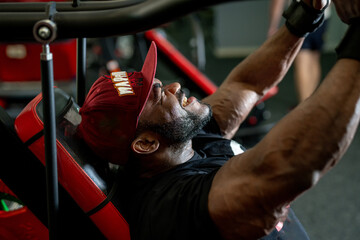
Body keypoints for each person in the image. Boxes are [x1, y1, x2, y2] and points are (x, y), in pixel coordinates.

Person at [77, 0, 360, 239]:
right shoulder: (174, 206)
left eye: (160, 85)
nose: (174, 87)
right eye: (160, 96)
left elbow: (246, 85)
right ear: (147, 143)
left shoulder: (177, 141)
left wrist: (307, 12)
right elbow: (291, 163)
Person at [268, 0, 331, 103]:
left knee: (302, 60)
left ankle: (304, 105)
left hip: (301, 13)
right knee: (313, 58)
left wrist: (273, 26)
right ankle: (309, 101)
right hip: (323, 14)